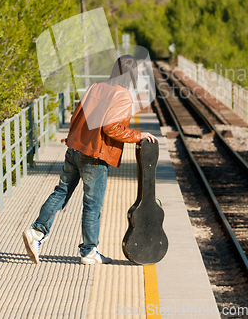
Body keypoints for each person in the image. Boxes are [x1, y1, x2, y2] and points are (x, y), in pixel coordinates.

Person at [22, 54, 156, 265]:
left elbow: (78, 113)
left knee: (61, 192)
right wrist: (138, 135)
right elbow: (112, 128)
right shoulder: (123, 96)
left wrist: (72, 137)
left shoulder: (96, 86)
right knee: (93, 205)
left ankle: (37, 232)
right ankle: (89, 252)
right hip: (95, 155)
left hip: (75, 148)